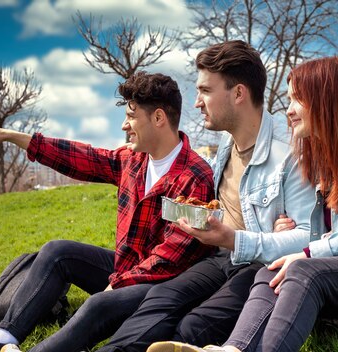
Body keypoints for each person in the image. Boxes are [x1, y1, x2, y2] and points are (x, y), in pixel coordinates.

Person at [147, 56, 338, 352]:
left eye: (298, 99)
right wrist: (292, 237)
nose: (289, 110)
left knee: (305, 271)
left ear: (327, 99)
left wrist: (309, 252)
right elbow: (334, 233)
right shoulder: (330, 152)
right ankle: (235, 347)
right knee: (272, 271)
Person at [0, 71, 216, 352]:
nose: (124, 126)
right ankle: (0, 342)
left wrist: (117, 284)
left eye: (131, 116)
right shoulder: (132, 160)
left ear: (158, 118)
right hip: (126, 270)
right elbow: (82, 157)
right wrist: (11, 136)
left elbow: (171, 257)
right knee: (58, 252)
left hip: (163, 287)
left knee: (99, 303)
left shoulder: (195, 176)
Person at [96, 40, 314, 352]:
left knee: (193, 325)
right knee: (162, 296)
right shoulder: (226, 147)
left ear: (238, 94)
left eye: (206, 91)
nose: (197, 102)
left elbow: (310, 237)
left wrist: (241, 238)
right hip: (219, 257)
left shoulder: (290, 153)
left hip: (255, 263)